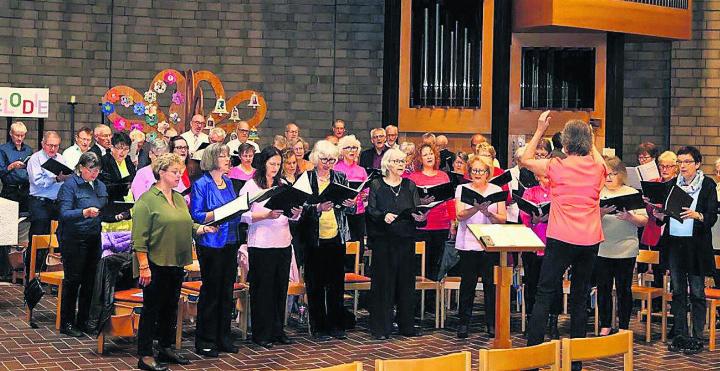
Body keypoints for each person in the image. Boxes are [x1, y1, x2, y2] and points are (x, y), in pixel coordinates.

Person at [520, 111, 607, 371]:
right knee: (580, 298)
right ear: (587, 142)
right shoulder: (598, 168)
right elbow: (600, 158)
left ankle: (534, 357)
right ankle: (576, 361)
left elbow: (524, 158)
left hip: (560, 237)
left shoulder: (556, 166)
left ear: (565, 144)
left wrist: (539, 130)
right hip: (590, 239)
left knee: (544, 294)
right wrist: (590, 139)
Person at [133, 153, 217, 370]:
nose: (180, 176)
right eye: (175, 172)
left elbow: (188, 224)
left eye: (181, 172)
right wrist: (143, 265)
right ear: (161, 173)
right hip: (155, 262)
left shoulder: (179, 198)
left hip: (177, 260)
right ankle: (144, 355)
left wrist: (201, 228)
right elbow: (139, 238)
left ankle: (166, 347)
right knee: (152, 308)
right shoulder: (147, 200)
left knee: (171, 307)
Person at [654, 146, 717, 355]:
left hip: (697, 246)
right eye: (679, 162)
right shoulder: (672, 185)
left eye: (687, 162)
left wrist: (696, 215)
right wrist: (658, 213)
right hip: (675, 244)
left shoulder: (707, 185)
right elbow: (662, 216)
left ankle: (697, 335)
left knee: (697, 292)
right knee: (678, 291)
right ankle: (680, 335)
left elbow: (711, 217)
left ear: (697, 164)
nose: (682, 166)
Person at [239, 147, 303, 348]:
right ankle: (261, 333)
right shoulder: (251, 186)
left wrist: (295, 212)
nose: (275, 168)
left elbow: (293, 215)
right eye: (272, 164)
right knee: (263, 290)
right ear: (263, 163)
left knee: (279, 289)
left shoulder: (283, 184)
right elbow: (242, 215)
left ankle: (277, 330)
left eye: (278, 164)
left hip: (283, 242)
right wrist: (266, 215)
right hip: (261, 243)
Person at [296, 140, 356, 340]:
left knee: (336, 283)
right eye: (323, 159)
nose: (327, 163)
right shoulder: (307, 177)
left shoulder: (340, 177)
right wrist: (316, 208)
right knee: (315, 284)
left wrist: (350, 203)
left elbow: (350, 209)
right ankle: (319, 326)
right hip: (314, 239)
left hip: (336, 237)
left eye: (331, 159)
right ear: (315, 158)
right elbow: (297, 207)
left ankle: (336, 325)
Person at [366, 147, 426, 340]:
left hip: (405, 240)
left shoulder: (410, 185)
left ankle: (406, 325)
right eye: (398, 162)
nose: (401, 165)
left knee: (406, 284)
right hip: (384, 242)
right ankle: (381, 327)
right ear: (388, 164)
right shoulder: (376, 185)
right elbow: (371, 210)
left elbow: (418, 212)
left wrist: (421, 217)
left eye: (403, 162)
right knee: (384, 284)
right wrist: (384, 216)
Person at [190, 143, 242, 356]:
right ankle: (205, 340)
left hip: (230, 240)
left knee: (226, 291)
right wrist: (219, 213)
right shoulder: (201, 183)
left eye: (228, 156)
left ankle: (223, 337)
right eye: (223, 156)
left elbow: (234, 209)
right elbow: (197, 214)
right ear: (212, 159)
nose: (227, 159)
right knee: (211, 292)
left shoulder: (228, 182)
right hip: (211, 242)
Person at [56, 152, 108, 337]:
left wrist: (116, 214)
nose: (94, 173)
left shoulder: (100, 185)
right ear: (81, 168)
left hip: (94, 236)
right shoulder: (70, 185)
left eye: (97, 170)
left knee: (90, 281)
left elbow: (104, 208)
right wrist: (84, 212)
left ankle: (84, 320)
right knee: (73, 280)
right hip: (74, 238)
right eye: (91, 170)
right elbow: (64, 214)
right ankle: (67, 322)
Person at [455, 156, 506, 338]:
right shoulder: (462, 189)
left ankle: (491, 323)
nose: (477, 174)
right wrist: (476, 208)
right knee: (467, 284)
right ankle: (463, 323)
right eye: (474, 170)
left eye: (481, 171)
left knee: (489, 285)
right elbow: (460, 215)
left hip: (489, 244)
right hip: (468, 242)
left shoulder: (496, 190)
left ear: (488, 173)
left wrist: (488, 213)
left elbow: (503, 218)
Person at [596, 157, 647, 336]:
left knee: (624, 289)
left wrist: (630, 218)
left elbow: (644, 221)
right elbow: (587, 220)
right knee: (604, 288)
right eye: (606, 174)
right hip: (602, 248)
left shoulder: (631, 192)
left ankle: (624, 325)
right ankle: (605, 324)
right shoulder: (597, 193)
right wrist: (600, 213)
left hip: (626, 248)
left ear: (621, 174)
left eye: (613, 174)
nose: (609, 177)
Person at [408, 143, 455, 304]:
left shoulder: (443, 176)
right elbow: (408, 202)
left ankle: (430, 301)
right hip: (421, 225)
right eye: (425, 154)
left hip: (441, 223)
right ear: (419, 158)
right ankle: (417, 300)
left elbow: (450, 201)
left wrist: (453, 222)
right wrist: (420, 200)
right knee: (418, 264)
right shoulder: (413, 177)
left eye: (431, 154)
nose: (429, 156)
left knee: (436, 263)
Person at [519, 172, 561, 339]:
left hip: (554, 243)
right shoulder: (530, 192)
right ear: (538, 177)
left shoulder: (559, 193)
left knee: (554, 285)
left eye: (550, 177)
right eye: (544, 177)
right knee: (531, 284)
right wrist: (535, 220)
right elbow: (523, 215)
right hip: (532, 244)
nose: (546, 181)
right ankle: (532, 322)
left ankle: (553, 323)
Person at [27, 131, 70, 278]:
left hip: (56, 202)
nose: (53, 149)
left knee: (61, 235)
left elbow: (65, 176)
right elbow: (37, 182)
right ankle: (31, 274)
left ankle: (51, 272)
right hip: (40, 202)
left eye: (56, 146)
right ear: (43, 144)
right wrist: (55, 179)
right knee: (39, 236)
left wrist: (66, 177)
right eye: (50, 145)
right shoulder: (35, 159)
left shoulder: (61, 158)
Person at [333, 135, 368, 270]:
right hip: (341, 212)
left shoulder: (361, 170)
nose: (352, 150)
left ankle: (355, 273)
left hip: (358, 212)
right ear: (342, 150)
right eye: (348, 147)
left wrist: (363, 195)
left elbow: (367, 190)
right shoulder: (336, 168)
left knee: (357, 245)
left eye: (355, 147)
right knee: (343, 244)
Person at [0, 121, 32, 212]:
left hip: (25, 190)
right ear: (11, 133)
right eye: (17, 135)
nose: (20, 138)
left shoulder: (28, 150)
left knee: (25, 220)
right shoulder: (3, 149)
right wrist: (11, 166)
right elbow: (1, 171)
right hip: (10, 190)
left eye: (22, 135)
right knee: (8, 220)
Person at [100, 132, 136, 204]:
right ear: (112, 147)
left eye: (126, 149)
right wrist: (125, 186)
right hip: (112, 201)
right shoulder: (104, 161)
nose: (123, 152)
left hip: (130, 201)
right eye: (120, 148)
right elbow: (105, 186)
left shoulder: (128, 160)